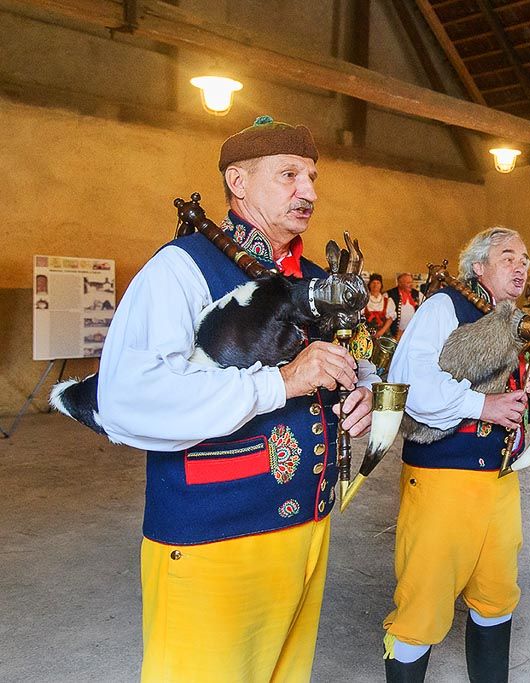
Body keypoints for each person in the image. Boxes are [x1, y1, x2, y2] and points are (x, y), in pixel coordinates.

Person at [96, 116, 378, 680]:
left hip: (308, 530)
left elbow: (347, 358)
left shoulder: (318, 277)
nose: (311, 191)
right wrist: (281, 382)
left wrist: (362, 388)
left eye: (314, 176)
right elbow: (128, 399)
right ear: (239, 183)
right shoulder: (180, 268)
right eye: (290, 174)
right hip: (215, 539)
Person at [382, 227, 530, 682]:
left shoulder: (528, 324)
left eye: (526, 258)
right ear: (479, 266)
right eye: (509, 256)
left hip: (502, 482)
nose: (522, 265)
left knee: (496, 599)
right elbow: (410, 381)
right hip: (441, 480)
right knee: (421, 609)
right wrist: (481, 405)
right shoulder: (444, 307)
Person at [386, 271, 423, 339]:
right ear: (400, 283)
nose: (411, 284)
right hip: (395, 335)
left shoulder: (418, 295)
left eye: (411, 282)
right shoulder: (389, 294)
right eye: (408, 283)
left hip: (413, 334)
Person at [364, 272, 397, 338]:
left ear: (381, 285)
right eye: (373, 283)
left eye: (378, 283)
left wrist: (381, 332)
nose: (375, 285)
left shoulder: (387, 301)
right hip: (367, 334)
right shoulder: (364, 300)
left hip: (383, 333)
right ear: (369, 285)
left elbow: (390, 319)